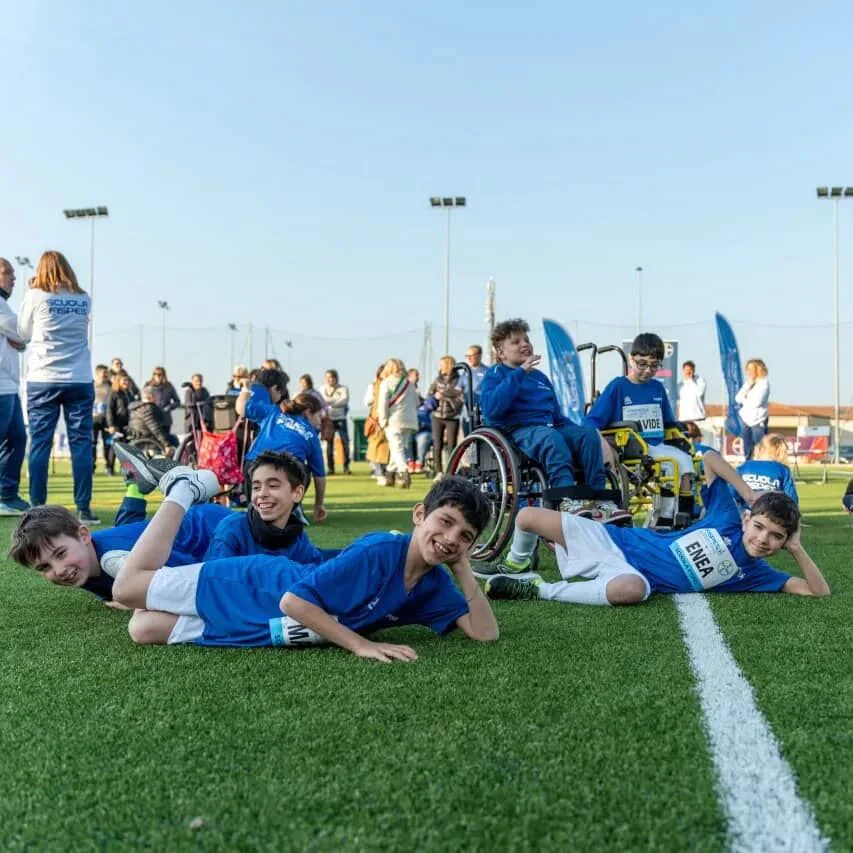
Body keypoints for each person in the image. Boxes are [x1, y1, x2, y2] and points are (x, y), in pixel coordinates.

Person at [110, 469, 499, 657]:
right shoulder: (382, 550)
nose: (450, 539)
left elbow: (485, 634)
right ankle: (183, 489)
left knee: (141, 628)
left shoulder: (433, 582)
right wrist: (360, 645)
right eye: (445, 523)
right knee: (126, 589)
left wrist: (462, 566)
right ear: (419, 515)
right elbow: (294, 601)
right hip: (255, 586)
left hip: (263, 628)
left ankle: (148, 570)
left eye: (464, 536)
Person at [484, 448, 830, 605]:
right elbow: (709, 458)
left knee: (630, 591)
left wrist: (796, 548)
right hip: (614, 539)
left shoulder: (757, 574)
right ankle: (516, 565)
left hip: (633, 577)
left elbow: (818, 591)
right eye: (759, 527)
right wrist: (748, 493)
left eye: (776, 536)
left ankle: (537, 588)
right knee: (528, 517)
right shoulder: (726, 514)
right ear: (746, 518)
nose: (763, 539)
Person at [479, 319, 624, 570]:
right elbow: (492, 409)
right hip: (516, 431)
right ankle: (567, 502)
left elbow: (557, 417)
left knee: (587, 435)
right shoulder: (495, 375)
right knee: (552, 439)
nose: (524, 344)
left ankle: (597, 502)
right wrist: (519, 373)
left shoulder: (541, 378)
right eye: (516, 341)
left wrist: (583, 433)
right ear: (501, 352)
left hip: (548, 428)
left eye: (526, 339)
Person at [8, 497, 230, 608]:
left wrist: (134, 603)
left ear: (84, 536)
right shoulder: (82, 565)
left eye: (60, 554)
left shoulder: (114, 556)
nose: (59, 570)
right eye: (44, 567)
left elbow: (186, 578)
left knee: (222, 585)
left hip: (217, 529)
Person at [17, 251, 98, 524]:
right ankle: (84, 508)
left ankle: (36, 507)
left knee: (40, 443)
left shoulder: (36, 295)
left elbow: (23, 333)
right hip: (79, 378)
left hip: (44, 378)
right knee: (82, 445)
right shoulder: (84, 298)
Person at [585, 332, 695, 524]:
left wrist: (681, 430)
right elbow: (592, 420)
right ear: (631, 359)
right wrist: (601, 441)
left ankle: (683, 514)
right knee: (672, 464)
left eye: (654, 365)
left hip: (656, 444)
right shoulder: (618, 386)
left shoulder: (657, 388)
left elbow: (668, 421)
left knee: (686, 461)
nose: (647, 370)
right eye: (641, 364)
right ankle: (665, 517)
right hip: (631, 446)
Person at [204, 451, 339, 560]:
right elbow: (215, 583)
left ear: (297, 493)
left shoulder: (298, 539)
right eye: (256, 487)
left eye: (273, 485)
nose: (262, 494)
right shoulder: (232, 531)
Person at [236, 370, 327, 522]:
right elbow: (320, 477)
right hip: (282, 472)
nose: (321, 420)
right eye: (319, 415)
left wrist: (245, 388)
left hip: (253, 467)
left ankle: (255, 508)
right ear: (308, 412)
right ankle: (290, 509)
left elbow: (241, 408)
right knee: (305, 471)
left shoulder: (274, 411)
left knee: (258, 516)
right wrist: (319, 505)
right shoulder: (311, 435)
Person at [0, 258, 29, 515]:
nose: (13, 278)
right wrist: (19, 339)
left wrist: (20, 340)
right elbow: (22, 333)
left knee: (17, 438)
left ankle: (6, 495)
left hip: (9, 386)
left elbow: (20, 338)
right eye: (6, 272)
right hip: (1, 386)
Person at [377, 358, 419, 489]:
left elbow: (382, 403)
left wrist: (382, 420)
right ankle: (390, 476)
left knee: (397, 449)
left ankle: (404, 472)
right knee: (398, 449)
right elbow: (417, 402)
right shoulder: (410, 383)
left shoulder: (386, 383)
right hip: (410, 420)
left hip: (394, 420)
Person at [734, 433, 798, 510]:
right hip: (771, 517)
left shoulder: (743, 467)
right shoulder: (783, 470)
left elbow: (731, 495)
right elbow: (792, 501)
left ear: (759, 449)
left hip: (745, 517)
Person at [427, 355, 464, 479]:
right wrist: (434, 397)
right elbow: (429, 394)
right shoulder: (437, 380)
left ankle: (451, 472)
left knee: (452, 445)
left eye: (442, 364)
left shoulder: (458, 379)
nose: (440, 366)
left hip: (452, 416)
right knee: (437, 444)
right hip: (437, 416)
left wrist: (445, 396)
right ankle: (439, 472)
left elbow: (460, 397)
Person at [735, 358, 770, 461]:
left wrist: (744, 400)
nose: (748, 372)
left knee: (761, 448)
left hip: (758, 422)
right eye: (747, 369)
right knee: (747, 450)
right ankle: (748, 470)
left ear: (758, 369)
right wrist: (748, 386)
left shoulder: (764, 383)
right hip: (746, 421)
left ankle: (762, 470)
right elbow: (737, 398)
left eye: (751, 369)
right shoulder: (748, 383)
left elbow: (756, 403)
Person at [127, 386, 178, 455]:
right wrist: (167, 445)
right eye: (157, 395)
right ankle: (175, 463)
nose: (158, 398)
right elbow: (155, 428)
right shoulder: (149, 408)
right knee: (173, 439)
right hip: (148, 441)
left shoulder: (136, 408)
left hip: (138, 437)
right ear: (151, 396)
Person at [321, 369, 351, 476]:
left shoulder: (343, 388)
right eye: (328, 377)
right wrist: (335, 401)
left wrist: (330, 402)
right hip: (328, 419)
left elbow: (344, 400)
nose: (330, 379)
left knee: (345, 443)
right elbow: (323, 400)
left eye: (332, 377)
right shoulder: (323, 388)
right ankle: (331, 468)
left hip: (341, 418)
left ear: (336, 378)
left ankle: (346, 467)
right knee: (329, 444)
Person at [364, 364, 390, 485]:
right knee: (374, 447)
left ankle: (384, 472)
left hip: (387, 419)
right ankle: (378, 472)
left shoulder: (391, 385)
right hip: (375, 420)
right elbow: (367, 401)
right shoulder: (373, 386)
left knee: (386, 448)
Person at [459, 344, 489, 433]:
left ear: (479, 355)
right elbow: (459, 389)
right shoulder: (465, 372)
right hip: (467, 412)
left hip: (482, 413)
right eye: (467, 356)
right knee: (468, 437)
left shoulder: (487, 372)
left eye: (471, 356)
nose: (469, 358)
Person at [92, 364, 114, 475]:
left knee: (108, 444)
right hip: (93, 418)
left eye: (107, 373)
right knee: (92, 443)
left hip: (107, 419)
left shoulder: (110, 386)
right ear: (97, 373)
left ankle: (109, 467)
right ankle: (91, 467)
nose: (105, 375)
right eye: (103, 373)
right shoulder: (90, 385)